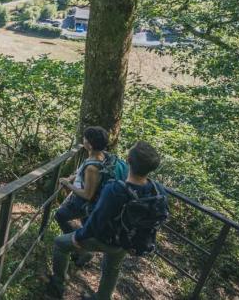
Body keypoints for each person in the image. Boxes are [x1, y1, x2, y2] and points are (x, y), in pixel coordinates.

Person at [47, 141, 166, 300]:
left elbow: (96, 221)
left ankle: (58, 284)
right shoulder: (158, 190)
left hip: (105, 239)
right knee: (111, 269)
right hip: (127, 240)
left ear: (129, 160)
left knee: (60, 244)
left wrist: (78, 236)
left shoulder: (116, 189)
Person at [54, 126, 109, 266]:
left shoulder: (92, 167)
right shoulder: (101, 155)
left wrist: (68, 184)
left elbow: (88, 194)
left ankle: (82, 249)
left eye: (84, 138)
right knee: (86, 224)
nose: (82, 140)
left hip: (84, 203)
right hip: (95, 201)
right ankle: (83, 247)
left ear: (89, 144)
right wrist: (72, 177)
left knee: (60, 215)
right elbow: (81, 171)